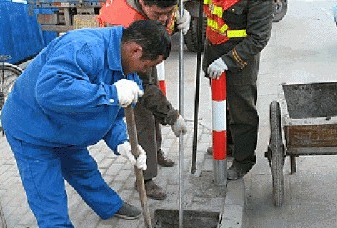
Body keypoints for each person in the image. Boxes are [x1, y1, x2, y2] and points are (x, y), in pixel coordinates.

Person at [1, 20, 171, 228]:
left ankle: (110, 206)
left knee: (85, 170)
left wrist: (123, 143)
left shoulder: (125, 66)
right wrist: (110, 93)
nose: (147, 70)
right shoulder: (84, 48)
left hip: (65, 130)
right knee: (52, 209)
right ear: (136, 50)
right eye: (149, 64)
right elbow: (50, 91)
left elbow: (115, 114)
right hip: (32, 132)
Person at [98, 0, 190, 200]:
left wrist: (175, 23)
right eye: (159, 14)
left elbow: (161, 25)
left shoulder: (155, 10)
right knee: (143, 117)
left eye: (169, 12)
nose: (164, 18)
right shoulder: (123, 22)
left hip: (144, 53)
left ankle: (155, 152)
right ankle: (145, 178)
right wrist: (172, 116)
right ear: (142, 3)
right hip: (122, 66)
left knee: (153, 104)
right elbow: (144, 88)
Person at [203, 0, 274, 180]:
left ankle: (243, 160)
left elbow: (258, 38)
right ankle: (226, 143)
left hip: (239, 60)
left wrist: (228, 61)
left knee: (241, 111)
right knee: (221, 105)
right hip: (214, 52)